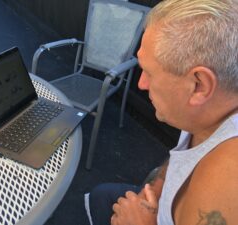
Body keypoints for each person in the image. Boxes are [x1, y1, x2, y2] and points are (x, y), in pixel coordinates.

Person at [86, 0, 238, 224]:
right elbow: (181, 158)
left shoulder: (224, 183)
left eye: (149, 72)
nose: (142, 84)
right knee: (100, 196)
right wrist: (155, 189)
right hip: (156, 205)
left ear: (199, 85)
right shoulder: (206, 111)